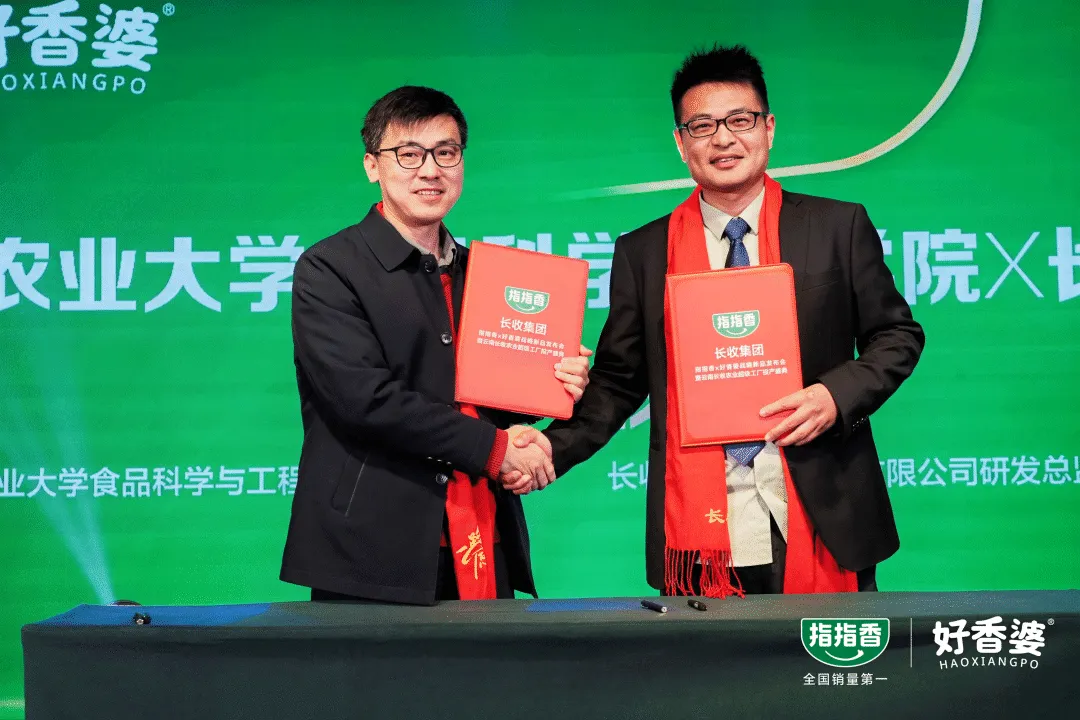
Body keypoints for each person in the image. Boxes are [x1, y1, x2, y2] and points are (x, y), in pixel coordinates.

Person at [523, 45, 924, 597]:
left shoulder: (837, 226)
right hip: (702, 529)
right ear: (681, 142)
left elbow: (896, 334)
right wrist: (549, 448)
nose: (723, 139)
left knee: (826, 657)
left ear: (768, 128)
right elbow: (618, 381)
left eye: (740, 120)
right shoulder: (644, 253)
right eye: (702, 126)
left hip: (823, 508)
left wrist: (834, 396)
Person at [280, 85, 590, 605]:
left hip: (483, 532)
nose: (430, 170)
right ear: (372, 166)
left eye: (446, 152)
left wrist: (549, 386)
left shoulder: (485, 275)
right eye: (409, 154)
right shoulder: (330, 268)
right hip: (370, 551)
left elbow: (481, 398)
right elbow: (364, 400)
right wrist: (494, 449)